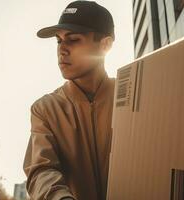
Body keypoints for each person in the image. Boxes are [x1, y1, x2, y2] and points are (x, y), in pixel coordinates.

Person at [23, 1, 116, 200]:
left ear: (105, 45)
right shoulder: (45, 109)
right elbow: (41, 170)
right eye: (58, 41)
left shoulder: (130, 97)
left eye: (73, 39)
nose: (61, 50)